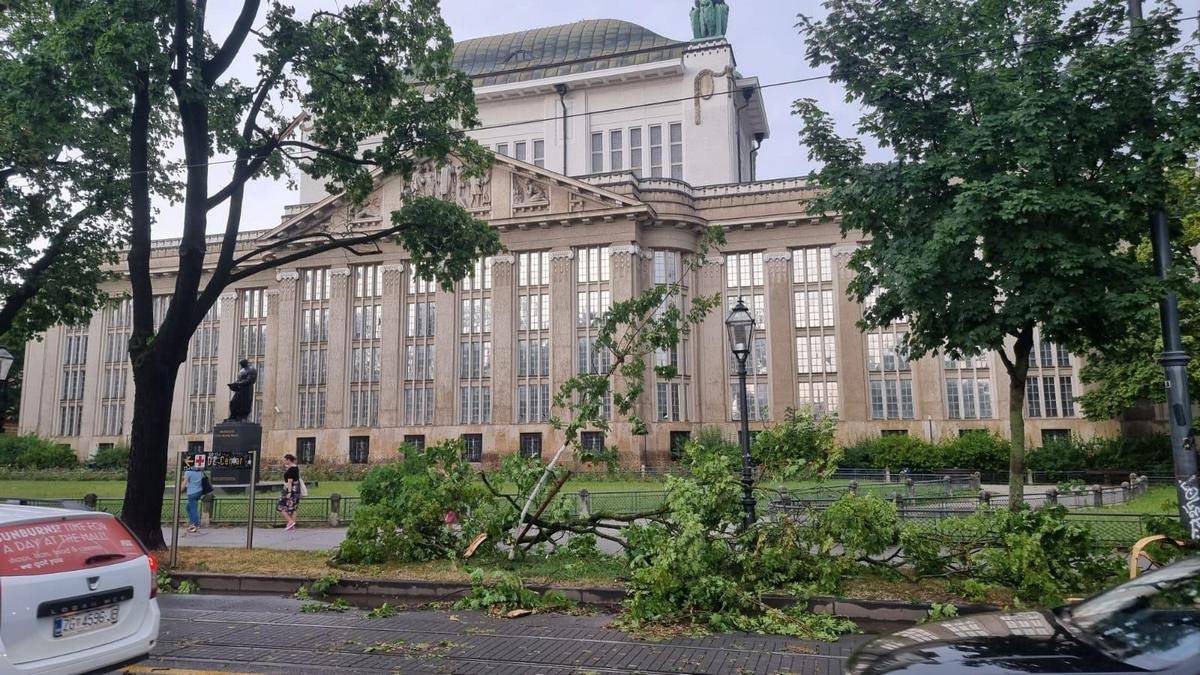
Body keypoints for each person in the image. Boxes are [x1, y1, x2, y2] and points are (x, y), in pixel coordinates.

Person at [277, 454, 301, 531]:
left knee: (280, 506)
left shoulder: (291, 470)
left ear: (288, 460)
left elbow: (290, 481)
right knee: (294, 508)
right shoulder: (295, 467)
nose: (283, 461)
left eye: (284, 460)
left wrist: (289, 492)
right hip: (297, 489)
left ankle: (290, 522)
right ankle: (292, 525)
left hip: (290, 489)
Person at [181, 456, 205, 534]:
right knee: (188, 508)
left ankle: (196, 525)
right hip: (199, 492)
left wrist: (179, 491)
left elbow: (184, 483)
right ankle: (192, 524)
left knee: (193, 509)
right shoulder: (200, 471)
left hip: (192, 493)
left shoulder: (188, 472)